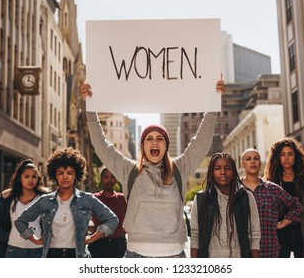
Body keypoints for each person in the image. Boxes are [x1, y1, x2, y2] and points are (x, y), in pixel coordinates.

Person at [80, 78, 224, 258]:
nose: (154, 142)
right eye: (149, 138)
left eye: (159, 138)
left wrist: (213, 105)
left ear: (166, 145)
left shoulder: (180, 168)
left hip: (173, 256)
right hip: (136, 256)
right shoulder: (129, 170)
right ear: (142, 145)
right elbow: (101, 146)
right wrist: (90, 107)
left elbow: (200, 142)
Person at [15, 147, 119, 258]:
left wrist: (93, 237)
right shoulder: (45, 201)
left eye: (69, 173)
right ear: (55, 175)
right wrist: (34, 239)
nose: (65, 177)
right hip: (52, 257)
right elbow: (20, 221)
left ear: (75, 175)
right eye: (60, 173)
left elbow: (112, 219)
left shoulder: (87, 199)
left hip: (77, 256)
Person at [190, 152, 261, 258]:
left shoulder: (246, 197)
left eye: (227, 168)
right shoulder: (201, 199)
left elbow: (255, 235)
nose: (223, 172)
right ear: (211, 172)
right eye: (218, 168)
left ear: (233, 172)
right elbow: (195, 235)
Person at [240, 148, 302, 258]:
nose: (253, 162)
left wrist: (282, 223)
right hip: (241, 250)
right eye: (248, 159)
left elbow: (296, 206)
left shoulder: (273, 189)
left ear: (260, 163)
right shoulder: (234, 189)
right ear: (242, 164)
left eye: (256, 158)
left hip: (269, 250)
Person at [0, 159, 49, 258]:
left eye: (34, 177)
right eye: (26, 176)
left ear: (38, 178)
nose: (30, 180)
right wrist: (3, 236)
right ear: (20, 178)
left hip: (38, 251)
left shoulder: (45, 198)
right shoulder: (7, 198)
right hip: (13, 250)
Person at [88, 167, 127, 258]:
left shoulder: (122, 198)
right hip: (98, 244)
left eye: (112, 177)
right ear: (101, 179)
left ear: (116, 179)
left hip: (118, 244)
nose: (109, 180)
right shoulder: (94, 198)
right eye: (106, 177)